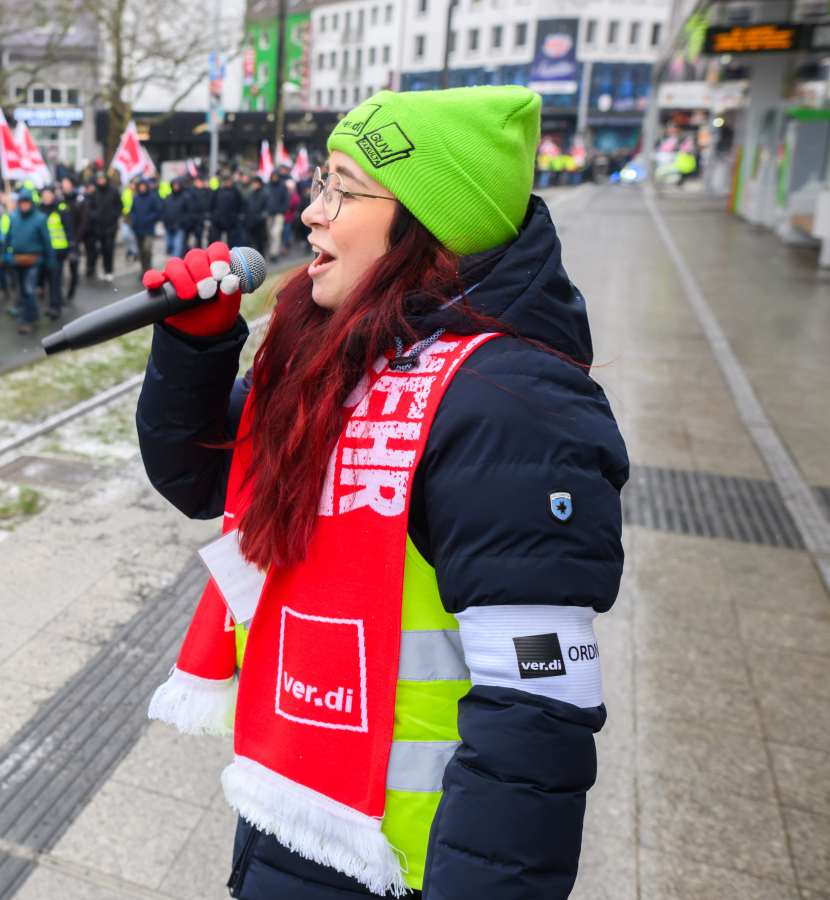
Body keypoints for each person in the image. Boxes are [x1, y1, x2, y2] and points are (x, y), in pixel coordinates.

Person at [138, 87, 624, 900]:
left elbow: (535, 715)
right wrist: (195, 351)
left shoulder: (512, 404)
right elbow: (203, 477)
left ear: (431, 220)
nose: (310, 215)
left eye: (340, 188)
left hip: (403, 863)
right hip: (294, 816)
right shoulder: (341, 355)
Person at [3, 188, 54, 335]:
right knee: (23, 291)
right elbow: (7, 238)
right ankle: (33, 313)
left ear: (31, 203)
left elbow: (46, 241)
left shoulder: (40, 218)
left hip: (34, 260)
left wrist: (51, 261)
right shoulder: (14, 218)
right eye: (22, 202)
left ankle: (27, 320)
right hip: (17, 261)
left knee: (28, 288)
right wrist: (3, 256)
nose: (24, 205)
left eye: (26, 202)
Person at [36, 187, 70, 320]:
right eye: (44, 194)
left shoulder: (60, 209)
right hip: (44, 252)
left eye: (49, 194)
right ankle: (52, 303)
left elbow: (68, 228)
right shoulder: (38, 210)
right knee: (47, 279)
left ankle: (55, 306)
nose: (47, 197)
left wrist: (72, 247)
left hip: (58, 251)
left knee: (55, 279)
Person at [85, 170, 122, 281]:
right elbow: (91, 208)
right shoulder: (95, 193)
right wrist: (95, 216)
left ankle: (109, 270)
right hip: (99, 227)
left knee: (109, 248)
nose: (101, 181)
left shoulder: (114, 191)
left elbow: (119, 206)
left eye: (103, 179)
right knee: (102, 249)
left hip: (110, 226)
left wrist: (113, 217)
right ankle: (104, 270)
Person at [59, 176, 87, 303]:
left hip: (73, 240)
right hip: (60, 241)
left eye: (67, 183)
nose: (64, 186)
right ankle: (59, 294)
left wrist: (75, 239)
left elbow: (84, 221)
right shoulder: (59, 201)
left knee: (73, 268)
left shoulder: (79, 200)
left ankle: (70, 294)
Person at [129, 178, 163, 272]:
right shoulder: (136, 198)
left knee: (147, 249)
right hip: (138, 229)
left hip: (148, 228)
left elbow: (157, 211)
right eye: (140, 186)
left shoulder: (152, 197)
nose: (142, 188)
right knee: (141, 251)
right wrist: (134, 220)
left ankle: (148, 268)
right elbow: (133, 211)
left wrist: (149, 218)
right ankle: (143, 269)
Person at [210, 171, 244, 246]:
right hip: (218, 221)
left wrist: (237, 217)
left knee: (231, 243)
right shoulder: (218, 191)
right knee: (215, 242)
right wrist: (213, 217)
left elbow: (240, 205)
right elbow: (212, 204)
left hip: (231, 221)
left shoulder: (235, 192)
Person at [242, 173, 271, 257]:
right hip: (250, 224)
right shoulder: (250, 195)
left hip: (259, 225)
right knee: (248, 244)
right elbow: (247, 208)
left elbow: (266, 208)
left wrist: (261, 217)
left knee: (260, 245)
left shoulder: (264, 195)